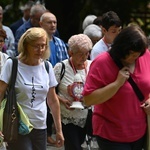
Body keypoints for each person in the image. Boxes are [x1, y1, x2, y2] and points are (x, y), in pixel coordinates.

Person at [83, 25, 150, 150]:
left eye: (136, 55)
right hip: (111, 134)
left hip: (140, 132)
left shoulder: (145, 55)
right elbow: (88, 99)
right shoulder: (102, 62)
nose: (132, 58)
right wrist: (116, 84)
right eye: (130, 54)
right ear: (121, 48)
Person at [0, 27, 64, 150]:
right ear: (26, 45)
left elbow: (53, 100)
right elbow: (0, 93)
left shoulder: (47, 66)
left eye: (43, 46)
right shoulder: (12, 64)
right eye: (35, 46)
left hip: (40, 126)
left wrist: (59, 130)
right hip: (18, 124)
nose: (40, 50)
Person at [53, 34, 93, 150]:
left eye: (87, 53)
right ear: (71, 53)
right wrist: (62, 100)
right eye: (81, 54)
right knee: (73, 147)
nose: (84, 57)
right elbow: (48, 92)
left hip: (87, 116)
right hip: (68, 116)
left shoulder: (92, 66)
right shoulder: (61, 67)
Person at [39, 11, 69, 146]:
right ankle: (45, 135)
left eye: (54, 22)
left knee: (54, 107)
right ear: (41, 24)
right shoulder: (37, 44)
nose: (52, 25)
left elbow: (66, 64)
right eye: (49, 22)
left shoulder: (60, 43)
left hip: (58, 81)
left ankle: (55, 132)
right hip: (41, 82)